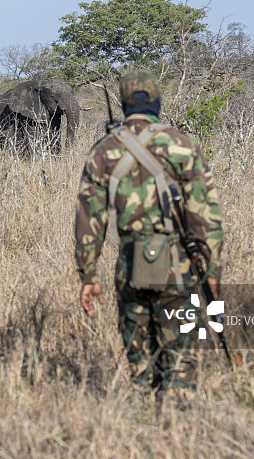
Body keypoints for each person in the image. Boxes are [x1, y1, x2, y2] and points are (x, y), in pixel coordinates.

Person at [74, 69, 224, 403]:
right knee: (181, 360)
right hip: (178, 268)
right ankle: (178, 426)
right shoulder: (183, 145)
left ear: (125, 104)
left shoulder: (103, 151)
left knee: (140, 365)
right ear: (157, 101)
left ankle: (143, 421)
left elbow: (89, 220)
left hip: (129, 266)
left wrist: (88, 276)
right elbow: (207, 217)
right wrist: (212, 273)